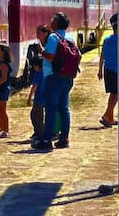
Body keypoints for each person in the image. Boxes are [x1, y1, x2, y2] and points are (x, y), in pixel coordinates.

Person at [31, 12, 73, 151]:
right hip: (67, 77)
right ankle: (64, 139)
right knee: (64, 109)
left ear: (56, 23)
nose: (50, 22)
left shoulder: (53, 37)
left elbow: (50, 56)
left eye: (53, 20)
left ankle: (46, 140)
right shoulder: (70, 37)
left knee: (51, 109)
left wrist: (42, 52)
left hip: (53, 77)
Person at [97, 12, 119, 127]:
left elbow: (102, 55)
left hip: (107, 69)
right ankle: (107, 114)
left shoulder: (107, 40)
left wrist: (100, 69)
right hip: (117, 70)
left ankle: (110, 117)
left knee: (114, 94)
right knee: (116, 94)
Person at [26, 55, 45, 140]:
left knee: (36, 116)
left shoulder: (38, 74)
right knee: (39, 115)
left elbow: (34, 87)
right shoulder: (46, 73)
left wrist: (29, 98)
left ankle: (39, 133)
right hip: (46, 97)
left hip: (39, 98)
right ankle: (39, 131)